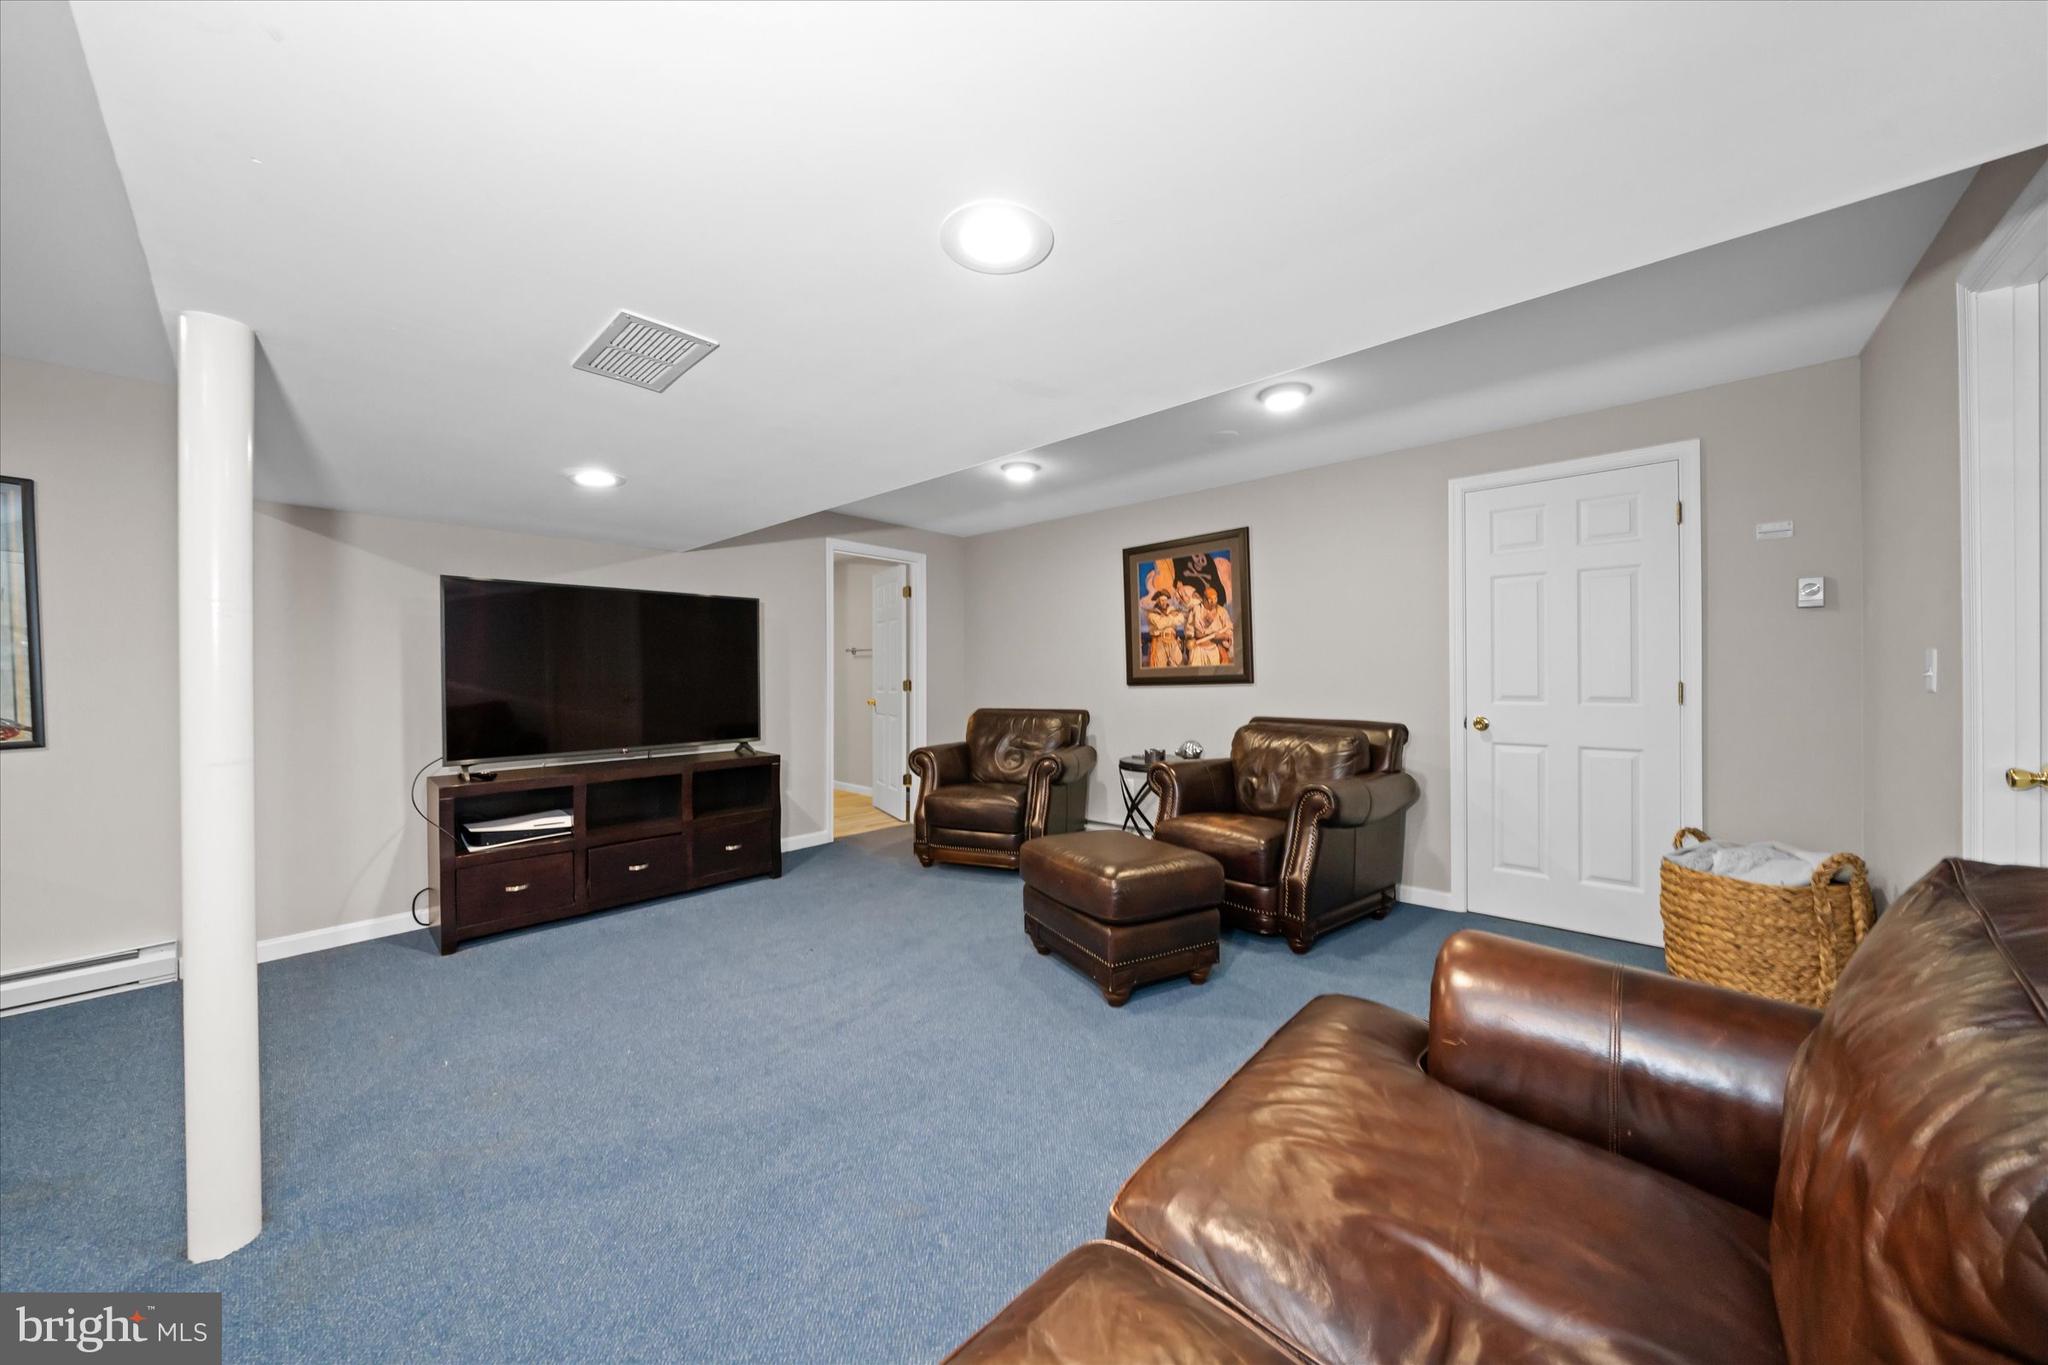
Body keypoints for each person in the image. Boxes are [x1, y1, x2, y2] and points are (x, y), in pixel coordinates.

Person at [1187, 585, 1231, 666]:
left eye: (1215, 599)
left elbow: (1229, 630)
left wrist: (1223, 636)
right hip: (1197, 650)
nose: (1213, 602)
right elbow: (1189, 630)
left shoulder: (1222, 612)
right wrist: (1191, 638)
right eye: (1210, 600)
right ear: (1204, 599)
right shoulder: (1195, 610)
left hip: (1213, 650)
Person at [1144, 591, 1185, 668]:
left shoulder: (1172, 610)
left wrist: (1167, 618)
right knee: (1159, 667)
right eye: (1162, 600)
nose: (1164, 602)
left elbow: (1181, 619)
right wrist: (1171, 617)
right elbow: (1160, 624)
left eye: (1165, 600)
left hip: (1172, 641)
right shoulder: (1152, 613)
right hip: (1159, 642)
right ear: (1158, 601)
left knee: (1178, 665)